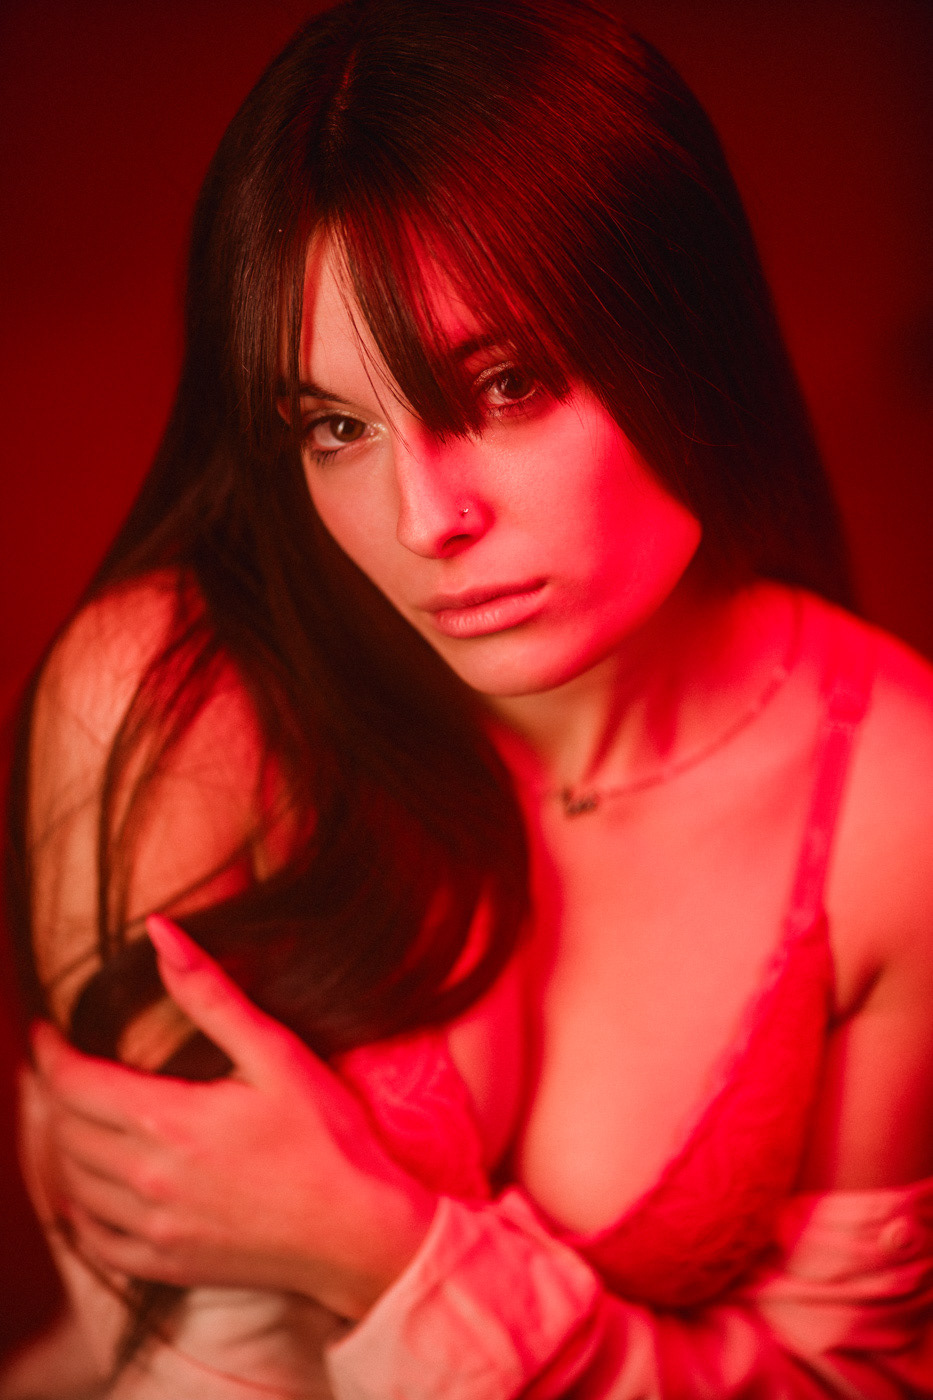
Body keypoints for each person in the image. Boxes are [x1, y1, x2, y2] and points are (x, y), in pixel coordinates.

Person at [3, 0, 933, 1395]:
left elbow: (846, 1383)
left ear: (681, 331)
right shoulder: (180, 691)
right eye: (335, 426)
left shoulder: (894, 802)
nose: (420, 519)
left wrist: (380, 1256)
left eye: (502, 385)